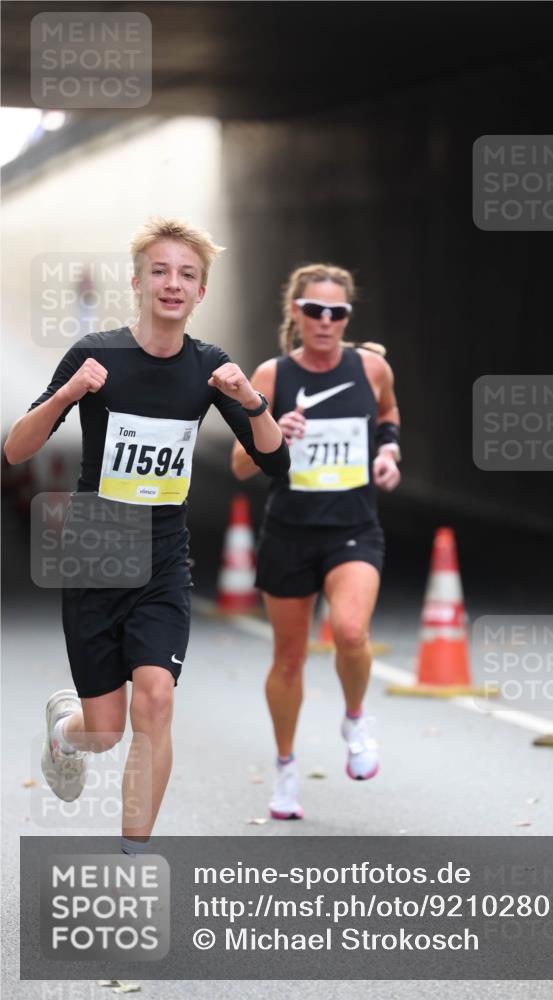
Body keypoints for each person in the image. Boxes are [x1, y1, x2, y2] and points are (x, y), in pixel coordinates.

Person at [4, 218, 289, 852]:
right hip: (96, 550)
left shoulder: (211, 368)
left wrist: (252, 400)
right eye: (160, 271)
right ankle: (65, 732)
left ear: (201, 292)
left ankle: (133, 857)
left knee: (155, 701)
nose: (172, 283)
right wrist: (69, 394)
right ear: (137, 282)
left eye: (187, 274)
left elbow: (275, 462)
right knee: (103, 731)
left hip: (163, 557)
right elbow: (18, 447)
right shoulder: (96, 355)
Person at [231, 263, 401, 819]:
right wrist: (274, 430)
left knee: (351, 631)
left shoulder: (370, 367)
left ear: (348, 318)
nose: (325, 321)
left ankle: (355, 719)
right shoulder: (274, 374)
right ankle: (285, 771)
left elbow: (389, 414)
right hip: (290, 533)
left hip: (354, 527)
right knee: (289, 658)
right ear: (296, 313)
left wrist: (387, 452)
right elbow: (239, 464)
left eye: (338, 313)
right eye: (315, 311)